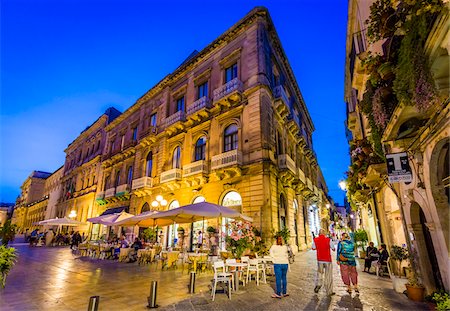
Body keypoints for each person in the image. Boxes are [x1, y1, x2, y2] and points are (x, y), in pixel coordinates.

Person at [312, 229, 335, 296]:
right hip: (327, 260)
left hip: (320, 260)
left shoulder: (315, 240)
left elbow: (313, 248)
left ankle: (318, 284)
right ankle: (329, 291)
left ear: (319, 233)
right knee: (328, 275)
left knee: (319, 273)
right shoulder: (328, 239)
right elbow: (333, 248)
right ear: (324, 233)